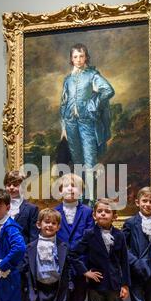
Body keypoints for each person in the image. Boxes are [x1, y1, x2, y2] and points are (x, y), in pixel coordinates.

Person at [60, 43, 115, 201]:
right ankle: (80, 198)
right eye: (75, 56)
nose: (78, 59)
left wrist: (93, 104)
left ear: (86, 57)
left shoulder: (92, 75)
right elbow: (63, 103)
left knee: (90, 161)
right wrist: (63, 126)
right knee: (77, 161)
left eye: (81, 56)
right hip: (71, 123)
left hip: (87, 122)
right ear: (71, 58)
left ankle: (90, 200)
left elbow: (108, 90)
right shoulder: (68, 80)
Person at [55, 173, 94, 301]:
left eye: (75, 186)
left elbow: (89, 237)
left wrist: (75, 254)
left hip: (80, 268)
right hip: (60, 269)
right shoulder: (54, 212)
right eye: (66, 186)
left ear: (81, 190)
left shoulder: (87, 212)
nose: (71, 189)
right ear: (60, 190)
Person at [0, 170, 38, 301]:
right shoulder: (0, 208)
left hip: (21, 264)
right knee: (4, 299)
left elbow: (32, 238)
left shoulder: (30, 209)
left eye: (16, 184)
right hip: (2, 262)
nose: (12, 187)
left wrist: (24, 261)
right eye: (9, 184)